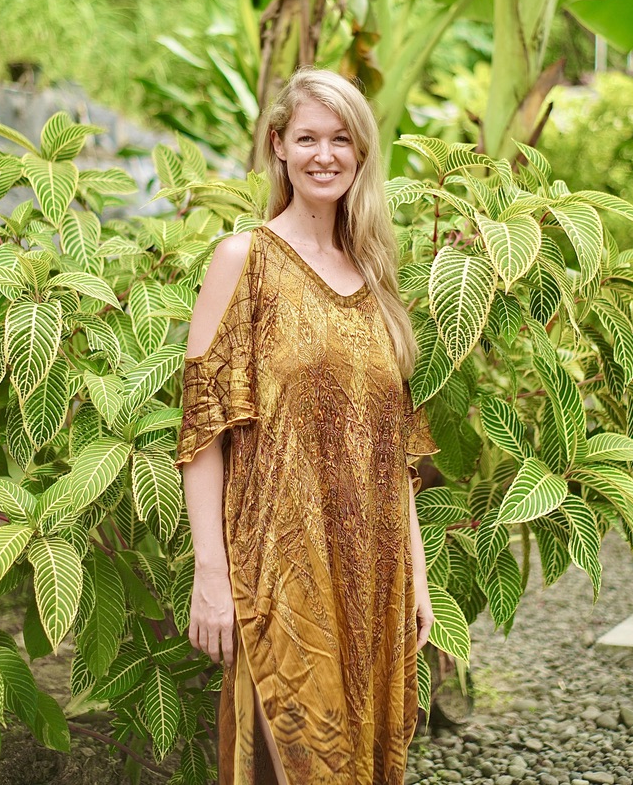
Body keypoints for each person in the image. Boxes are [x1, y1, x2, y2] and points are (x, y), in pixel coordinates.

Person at [176, 69, 440, 785]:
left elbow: (398, 457)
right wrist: (212, 576)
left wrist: (417, 576)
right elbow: (203, 430)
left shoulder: (375, 277)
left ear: (361, 152)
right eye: (308, 138)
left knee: (365, 757)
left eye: (341, 139)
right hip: (281, 567)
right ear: (278, 148)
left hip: (375, 572)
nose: (325, 154)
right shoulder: (244, 259)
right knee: (297, 757)